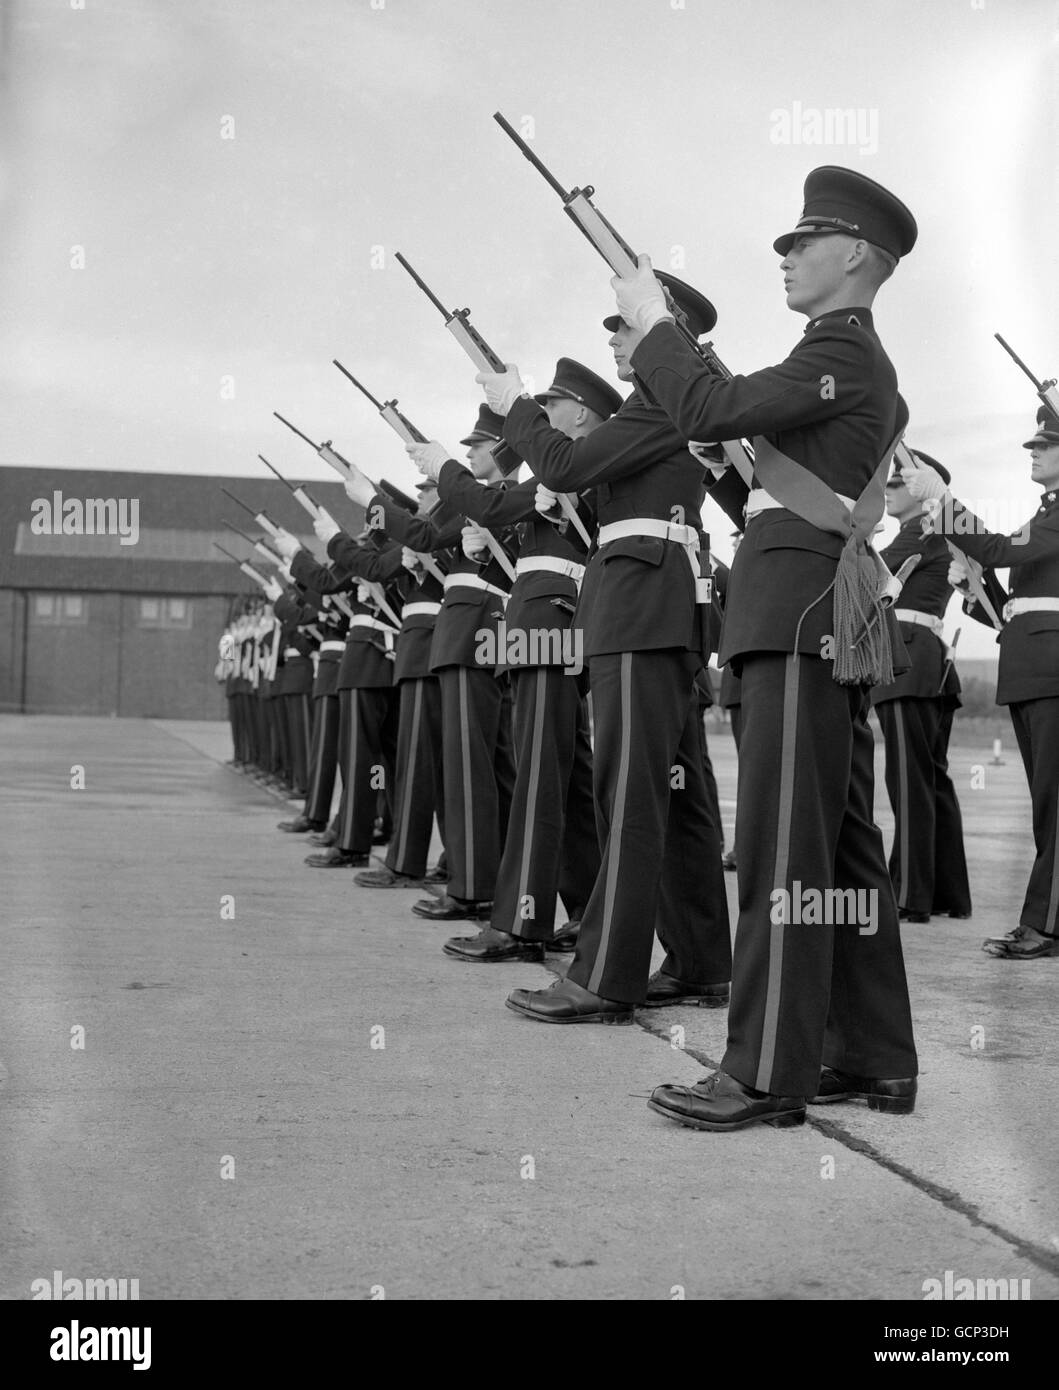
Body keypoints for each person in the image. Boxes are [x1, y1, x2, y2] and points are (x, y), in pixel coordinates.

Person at [604, 166, 920, 1129]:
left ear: (856, 254)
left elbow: (706, 405)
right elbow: (771, 500)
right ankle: (868, 1055)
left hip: (793, 618)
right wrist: (726, 466)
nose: (784, 256)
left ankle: (764, 1071)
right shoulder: (843, 360)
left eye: (803, 242)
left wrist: (655, 327)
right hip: (806, 610)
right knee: (841, 853)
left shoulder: (840, 349)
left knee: (784, 851)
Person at [476, 273, 733, 1023]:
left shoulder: (660, 402)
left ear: (664, 329)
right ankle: (698, 961)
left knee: (629, 794)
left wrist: (515, 405)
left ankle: (604, 976)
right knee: (678, 798)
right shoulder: (671, 407)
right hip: (652, 611)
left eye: (622, 326)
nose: (613, 339)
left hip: (639, 611)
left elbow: (561, 466)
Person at [408, 357, 619, 962]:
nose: (539, 420)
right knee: (567, 771)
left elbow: (492, 504)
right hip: (541, 621)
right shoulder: (570, 470)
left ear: (579, 414)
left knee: (539, 770)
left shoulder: (576, 464)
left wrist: (443, 467)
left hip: (550, 621)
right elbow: (505, 518)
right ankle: (582, 909)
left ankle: (521, 923)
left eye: (550, 407)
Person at [902, 404, 1059, 959]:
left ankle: (1045, 924)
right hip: (1031, 667)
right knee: (1048, 805)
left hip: (1050, 671)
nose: (1034, 451)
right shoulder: (1045, 514)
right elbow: (1010, 607)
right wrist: (975, 588)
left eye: (1046, 444)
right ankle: (1046, 919)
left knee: (1055, 805)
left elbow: (996, 547)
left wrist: (943, 504)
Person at [870, 449, 971, 923]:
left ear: (921, 489)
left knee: (909, 779)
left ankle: (910, 894)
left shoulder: (922, 533)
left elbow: (872, 576)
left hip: (909, 657)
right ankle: (945, 892)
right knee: (930, 779)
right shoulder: (926, 533)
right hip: (927, 659)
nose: (887, 489)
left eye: (896, 482)